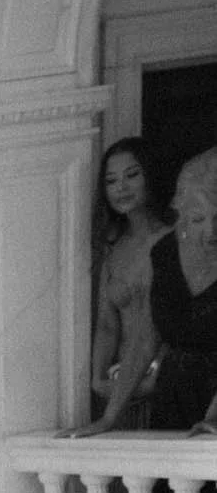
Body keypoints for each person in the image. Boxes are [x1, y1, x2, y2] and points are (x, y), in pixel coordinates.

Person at [86, 135, 168, 428]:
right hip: (119, 387)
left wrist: (157, 377)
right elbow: (107, 324)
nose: (121, 187)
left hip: (166, 384)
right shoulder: (113, 250)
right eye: (111, 180)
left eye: (132, 175)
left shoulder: (174, 240)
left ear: (150, 175)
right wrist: (97, 379)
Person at [143, 144, 217, 434]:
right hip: (173, 398)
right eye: (198, 219)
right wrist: (110, 416)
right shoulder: (164, 253)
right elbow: (146, 336)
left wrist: (213, 417)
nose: (211, 231)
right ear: (182, 215)